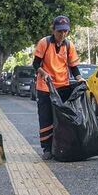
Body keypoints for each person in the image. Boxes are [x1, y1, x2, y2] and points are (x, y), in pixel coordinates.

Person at [33, 16, 83, 160]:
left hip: (62, 87)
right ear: (53, 29)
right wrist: (43, 73)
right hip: (45, 87)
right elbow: (36, 64)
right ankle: (47, 148)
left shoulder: (68, 45)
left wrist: (79, 78)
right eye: (59, 31)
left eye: (65, 31)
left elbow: (73, 66)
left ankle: (62, 146)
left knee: (62, 119)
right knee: (46, 118)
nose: (62, 34)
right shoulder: (44, 43)